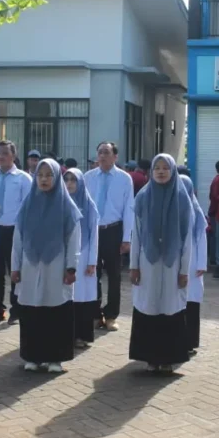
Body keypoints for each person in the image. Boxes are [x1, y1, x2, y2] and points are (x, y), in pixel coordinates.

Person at [12, 158, 81, 372]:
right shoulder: (27, 205)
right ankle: (33, 356)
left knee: (56, 311)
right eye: (40, 175)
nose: (44, 179)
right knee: (32, 311)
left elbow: (73, 240)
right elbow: (18, 239)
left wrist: (71, 267)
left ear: (56, 177)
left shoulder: (66, 206)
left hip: (57, 266)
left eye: (49, 175)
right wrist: (15, 267)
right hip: (30, 266)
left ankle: (55, 358)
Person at [129, 154, 192, 372]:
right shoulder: (143, 197)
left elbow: (187, 239)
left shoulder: (182, 199)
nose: (161, 172)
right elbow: (136, 233)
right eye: (157, 168)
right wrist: (134, 266)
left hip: (173, 263)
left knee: (170, 308)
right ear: (151, 172)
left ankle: (169, 359)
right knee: (148, 307)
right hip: (148, 263)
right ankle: (150, 358)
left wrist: (184, 270)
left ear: (173, 171)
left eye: (166, 168)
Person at [83, 141, 135, 332]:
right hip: (93, 231)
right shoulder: (88, 177)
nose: (102, 156)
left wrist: (127, 238)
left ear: (115, 156)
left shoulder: (124, 178)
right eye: (100, 152)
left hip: (114, 230)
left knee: (114, 275)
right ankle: (95, 314)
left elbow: (129, 208)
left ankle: (111, 315)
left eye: (106, 152)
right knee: (92, 273)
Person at [0, 140, 34, 324]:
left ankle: (17, 308)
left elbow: (29, 208)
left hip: (14, 230)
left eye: (5, 153)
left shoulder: (24, 179)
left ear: (14, 155)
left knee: (15, 270)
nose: (1, 156)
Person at [64, 168, 99, 348]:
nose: (69, 183)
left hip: (84, 256)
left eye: (73, 180)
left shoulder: (89, 205)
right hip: (64, 257)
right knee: (66, 297)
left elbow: (94, 235)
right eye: (66, 179)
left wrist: (92, 261)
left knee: (83, 298)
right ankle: (66, 335)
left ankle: (82, 335)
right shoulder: (60, 203)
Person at [179, 174, 208, 354]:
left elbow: (202, 239)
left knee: (191, 304)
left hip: (193, 264)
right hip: (176, 264)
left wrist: (201, 264)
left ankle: (190, 342)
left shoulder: (196, 213)